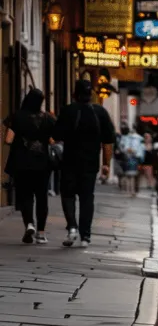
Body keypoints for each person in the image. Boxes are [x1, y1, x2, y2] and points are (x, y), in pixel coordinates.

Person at [54, 79, 115, 247]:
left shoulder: (67, 110)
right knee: (87, 198)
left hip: (69, 162)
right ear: (91, 94)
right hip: (90, 164)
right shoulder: (100, 112)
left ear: (74, 94)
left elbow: (57, 134)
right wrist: (106, 164)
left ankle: (72, 227)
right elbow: (108, 141)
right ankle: (85, 236)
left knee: (68, 195)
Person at [4, 88, 56, 244]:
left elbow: (8, 139)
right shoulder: (48, 118)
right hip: (42, 163)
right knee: (41, 198)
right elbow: (54, 140)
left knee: (25, 195)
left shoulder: (17, 116)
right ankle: (41, 233)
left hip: (22, 163)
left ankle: (29, 225)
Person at [122, 125, 145, 195]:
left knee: (130, 176)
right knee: (132, 176)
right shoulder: (138, 139)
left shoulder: (128, 138)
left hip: (130, 159)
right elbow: (140, 150)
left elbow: (124, 148)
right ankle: (131, 190)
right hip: (133, 159)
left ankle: (130, 190)